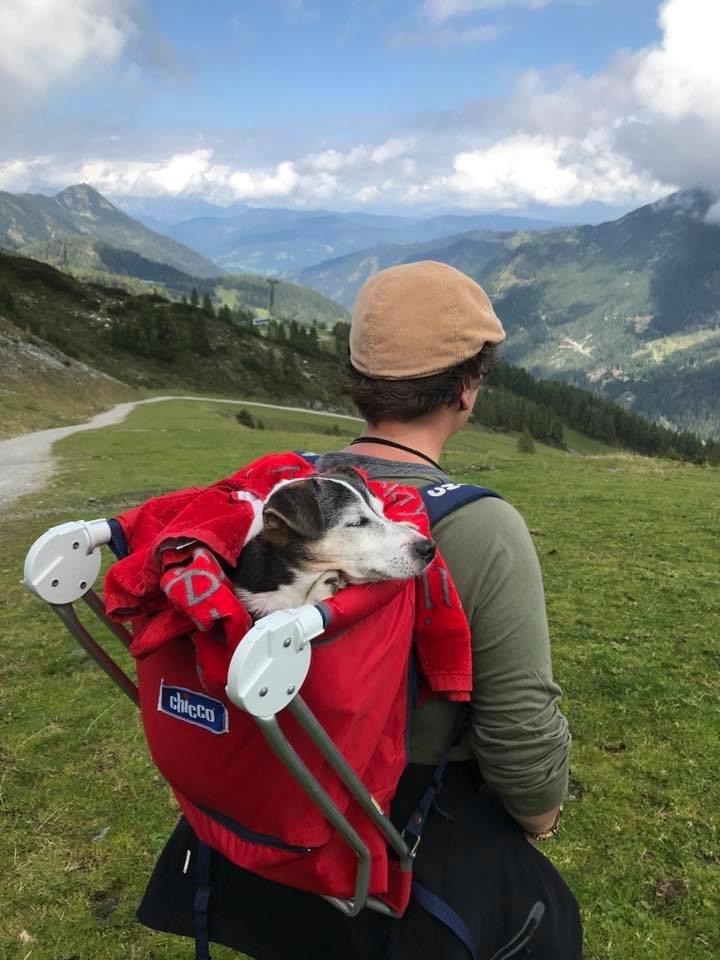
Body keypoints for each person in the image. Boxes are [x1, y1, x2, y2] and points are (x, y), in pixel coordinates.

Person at [137, 260, 582, 959]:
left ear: (360, 380)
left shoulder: (281, 497)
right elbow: (522, 745)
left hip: (262, 815)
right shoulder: (482, 527)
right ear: (467, 388)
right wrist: (541, 816)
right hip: (390, 836)